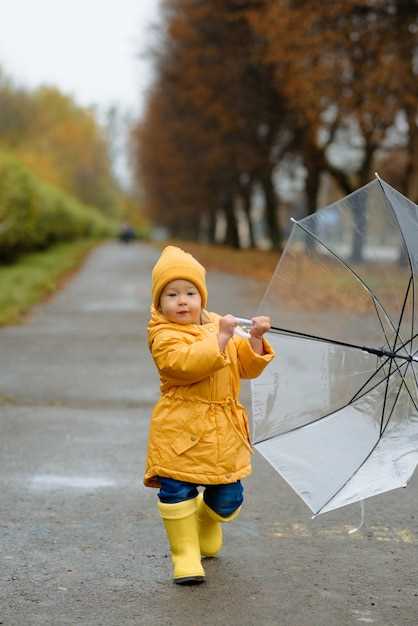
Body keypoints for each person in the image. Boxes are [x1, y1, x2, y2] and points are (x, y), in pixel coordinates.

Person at [144, 245, 275, 585]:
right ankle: (184, 554)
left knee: (229, 498)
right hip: (180, 429)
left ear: (202, 296)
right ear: (159, 303)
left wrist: (256, 340)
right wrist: (219, 339)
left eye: (190, 293)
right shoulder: (163, 334)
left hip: (223, 427)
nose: (182, 301)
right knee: (176, 489)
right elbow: (183, 365)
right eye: (172, 295)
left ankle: (205, 521)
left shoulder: (220, 324)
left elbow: (246, 367)